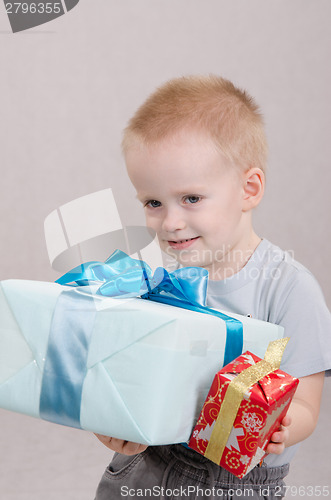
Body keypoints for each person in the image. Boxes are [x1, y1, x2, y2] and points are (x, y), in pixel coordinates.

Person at [94, 75, 331, 499]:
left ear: (248, 189)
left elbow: (308, 404)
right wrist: (117, 422)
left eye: (191, 199)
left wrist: (282, 424)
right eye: (153, 203)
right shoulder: (153, 278)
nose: (170, 222)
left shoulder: (287, 288)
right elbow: (131, 375)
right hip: (145, 463)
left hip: (233, 481)